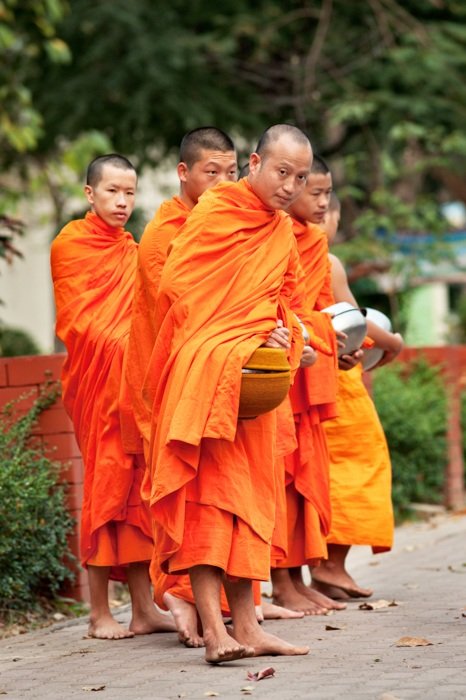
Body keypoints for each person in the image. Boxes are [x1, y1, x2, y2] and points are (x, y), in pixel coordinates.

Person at [140, 124, 332, 663]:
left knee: (248, 506)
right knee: (208, 501)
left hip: (251, 390)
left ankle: (248, 627)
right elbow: (179, 289)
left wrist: (283, 334)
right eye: (282, 173)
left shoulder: (278, 233)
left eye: (299, 177)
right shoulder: (218, 210)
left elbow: (286, 306)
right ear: (254, 163)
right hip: (206, 376)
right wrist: (244, 332)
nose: (290, 186)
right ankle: (215, 630)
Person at [50, 154, 175, 640]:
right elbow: (81, 323)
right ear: (90, 194)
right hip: (98, 385)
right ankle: (99, 613)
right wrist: (131, 346)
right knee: (106, 492)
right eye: (112, 193)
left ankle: (143, 609)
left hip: (133, 391)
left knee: (136, 497)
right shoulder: (71, 245)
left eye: (129, 193)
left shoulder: (132, 250)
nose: (123, 203)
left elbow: (148, 313)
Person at [270, 155, 357, 615]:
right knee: (281, 480)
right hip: (283, 373)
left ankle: (301, 577)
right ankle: (281, 582)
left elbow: (322, 310)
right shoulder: (274, 235)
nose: (323, 202)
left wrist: (340, 347)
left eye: (325, 191)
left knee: (304, 483)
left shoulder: (313, 246)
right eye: (313, 191)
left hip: (313, 370)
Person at [310, 189, 404, 599]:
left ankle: (329, 567)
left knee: (336, 471)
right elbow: (354, 322)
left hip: (321, 367)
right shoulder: (324, 260)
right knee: (355, 465)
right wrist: (396, 343)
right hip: (327, 377)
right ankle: (329, 566)